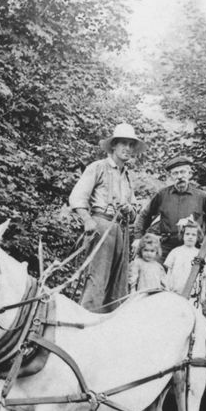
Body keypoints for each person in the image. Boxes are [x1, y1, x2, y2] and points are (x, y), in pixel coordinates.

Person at [68, 123, 144, 312]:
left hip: (122, 231)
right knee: (97, 279)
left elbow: (134, 210)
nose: (128, 149)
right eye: (123, 144)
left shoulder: (127, 176)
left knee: (118, 283)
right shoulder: (98, 167)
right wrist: (87, 220)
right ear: (113, 146)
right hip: (101, 226)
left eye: (131, 145)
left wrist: (129, 209)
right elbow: (77, 197)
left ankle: (108, 328)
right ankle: (85, 325)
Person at [133, 155, 206, 259]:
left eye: (183, 172)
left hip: (192, 248)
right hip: (165, 249)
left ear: (189, 174)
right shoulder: (162, 195)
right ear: (171, 176)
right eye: (175, 173)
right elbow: (144, 215)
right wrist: (138, 238)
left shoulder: (201, 196)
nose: (179, 176)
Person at [163, 217, 206, 303]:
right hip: (175, 293)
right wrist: (167, 289)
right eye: (187, 234)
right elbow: (169, 273)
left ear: (198, 237)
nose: (190, 237)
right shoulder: (175, 252)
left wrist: (202, 293)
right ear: (182, 235)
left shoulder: (200, 254)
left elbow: (203, 276)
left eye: (193, 235)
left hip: (192, 296)